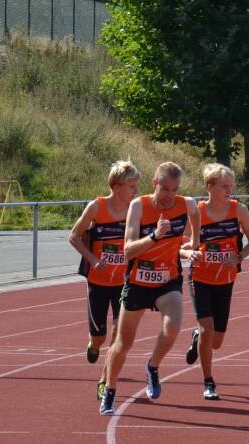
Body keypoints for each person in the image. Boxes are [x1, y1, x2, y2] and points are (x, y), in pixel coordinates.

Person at [99, 162, 201, 415]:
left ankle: (153, 367)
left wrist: (194, 245)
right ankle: (109, 390)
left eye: (174, 190)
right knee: (123, 343)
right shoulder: (139, 206)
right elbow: (128, 249)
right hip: (137, 282)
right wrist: (154, 235)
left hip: (168, 280)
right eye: (165, 188)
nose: (169, 195)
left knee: (173, 326)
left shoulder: (185, 204)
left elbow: (196, 215)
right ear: (154, 183)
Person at [183, 163, 249, 400]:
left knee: (216, 342)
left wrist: (238, 257)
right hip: (200, 277)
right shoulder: (197, 213)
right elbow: (179, 244)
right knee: (207, 330)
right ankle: (209, 381)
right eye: (224, 186)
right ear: (210, 186)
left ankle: (197, 339)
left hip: (226, 279)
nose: (229, 190)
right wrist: (188, 253)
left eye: (231, 186)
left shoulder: (239, 210)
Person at [68, 161, 141, 401]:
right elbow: (74, 237)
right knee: (100, 337)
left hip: (125, 281)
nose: (136, 191)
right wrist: (92, 259)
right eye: (132, 186)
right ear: (117, 186)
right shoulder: (96, 207)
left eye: (137, 186)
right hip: (98, 280)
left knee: (118, 334)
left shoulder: (136, 209)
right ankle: (93, 345)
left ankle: (104, 380)